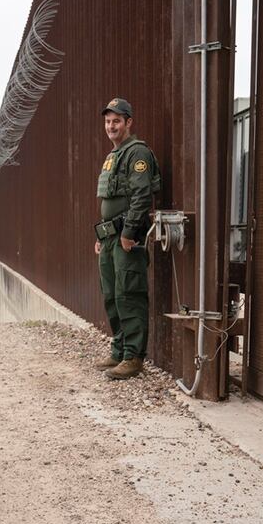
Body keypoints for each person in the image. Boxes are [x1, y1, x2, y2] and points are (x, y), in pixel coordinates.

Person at [93, 97, 160, 380]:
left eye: (116, 121)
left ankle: (133, 357)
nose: (111, 126)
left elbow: (142, 195)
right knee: (112, 295)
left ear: (128, 122)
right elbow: (110, 199)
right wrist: (102, 235)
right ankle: (119, 350)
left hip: (126, 238)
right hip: (110, 237)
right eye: (108, 122)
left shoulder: (137, 153)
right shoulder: (113, 155)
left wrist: (129, 232)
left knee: (128, 295)